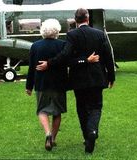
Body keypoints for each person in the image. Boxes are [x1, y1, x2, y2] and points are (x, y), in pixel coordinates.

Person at [36, 8, 115, 154]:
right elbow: (108, 56)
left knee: (82, 109)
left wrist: (49, 63)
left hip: (78, 80)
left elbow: (66, 57)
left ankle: (87, 136)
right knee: (96, 108)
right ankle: (92, 132)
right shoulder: (100, 34)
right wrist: (111, 76)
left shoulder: (71, 35)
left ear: (75, 19)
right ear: (88, 19)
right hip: (97, 78)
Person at [25, 19, 99, 151]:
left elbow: (31, 68)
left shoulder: (35, 46)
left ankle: (47, 133)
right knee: (57, 113)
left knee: (42, 110)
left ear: (43, 31)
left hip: (42, 83)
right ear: (57, 31)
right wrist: (85, 60)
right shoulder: (63, 45)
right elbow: (68, 61)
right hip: (59, 84)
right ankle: (53, 138)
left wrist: (29, 86)